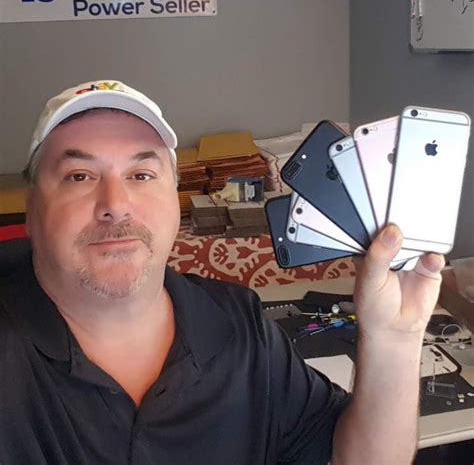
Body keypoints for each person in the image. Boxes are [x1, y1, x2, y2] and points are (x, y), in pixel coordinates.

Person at [0, 80, 444, 465]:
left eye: (142, 174)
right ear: (32, 211)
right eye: (79, 176)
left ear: (174, 202)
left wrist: (394, 338)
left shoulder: (239, 325)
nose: (115, 204)